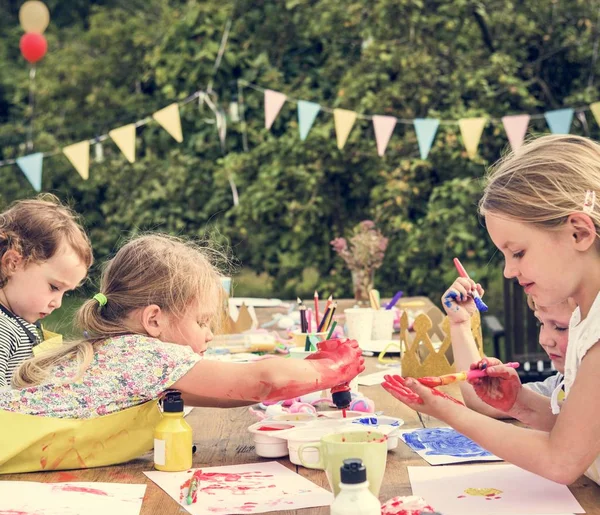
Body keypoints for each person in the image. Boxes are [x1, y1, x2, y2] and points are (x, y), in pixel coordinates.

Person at [0, 234, 364, 473]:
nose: (209, 334)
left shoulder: (120, 349)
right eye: (202, 322)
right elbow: (261, 382)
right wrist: (335, 367)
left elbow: (223, 394)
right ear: (154, 319)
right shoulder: (144, 355)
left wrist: (310, 376)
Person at [383, 134, 600, 485]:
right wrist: (520, 404)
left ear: (578, 233)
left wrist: (444, 409)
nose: (508, 271)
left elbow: (560, 461)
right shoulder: (584, 318)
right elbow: (578, 430)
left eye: (517, 252)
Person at [442, 276, 573, 417]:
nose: (544, 340)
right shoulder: (562, 384)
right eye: (540, 323)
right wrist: (460, 323)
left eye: (560, 327)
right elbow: (485, 403)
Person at [0, 194, 93, 386]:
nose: (57, 303)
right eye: (54, 287)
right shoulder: (3, 329)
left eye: (65, 293)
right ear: (12, 263)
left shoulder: (15, 321)